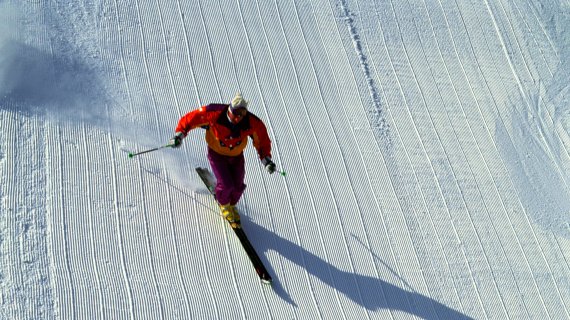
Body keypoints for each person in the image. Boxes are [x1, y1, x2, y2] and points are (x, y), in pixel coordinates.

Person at [170, 93, 276, 225]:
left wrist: (266, 159)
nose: (239, 117)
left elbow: (262, 140)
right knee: (226, 184)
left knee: (238, 185)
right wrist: (180, 134)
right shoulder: (215, 113)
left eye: (242, 114)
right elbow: (192, 118)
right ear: (230, 110)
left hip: (236, 156)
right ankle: (224, 204)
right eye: (237, 113)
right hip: (217, 154)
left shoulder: (251, 122)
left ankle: (231, 204)